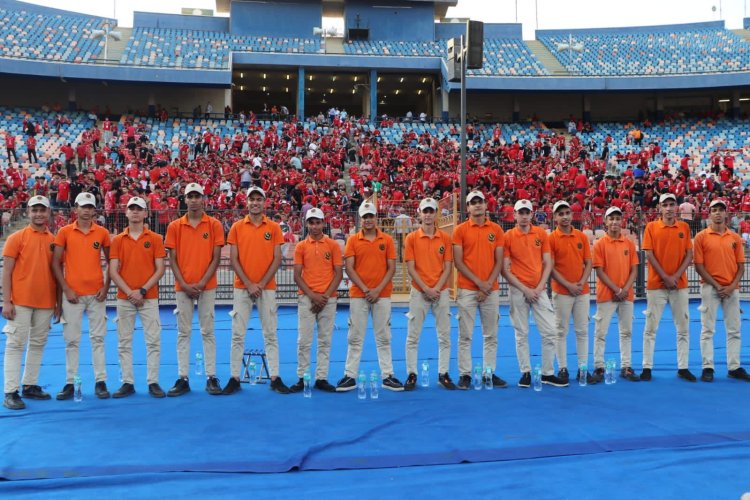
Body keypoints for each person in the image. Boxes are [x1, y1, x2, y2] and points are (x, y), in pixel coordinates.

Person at [223, 186, 290, 395]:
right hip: (242, 287)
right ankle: (234, 377)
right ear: (247, 202)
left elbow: (277, 258)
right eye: (251, 199)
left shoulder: (274, 228)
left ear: (264, 202)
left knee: (270, 333)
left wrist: (260, 283)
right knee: (237, 334)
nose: (255, 203)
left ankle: (275, 377)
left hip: (266, 287)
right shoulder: (237, 227)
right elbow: (233, 258)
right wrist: (250, 283)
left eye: (258, 199)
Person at [336, 201, 404, 392]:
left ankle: (388, 375)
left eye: (371, 216)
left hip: (381, 295)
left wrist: (377, 289)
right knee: (355, 337)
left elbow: (392, 268)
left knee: (384, 336)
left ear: (376, 218)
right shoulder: (353, 240)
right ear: (360, 219)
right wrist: (367, 289)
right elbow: (349, 267)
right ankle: (350, 375)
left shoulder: (387, 240)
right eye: (364, 217)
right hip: (359, 295)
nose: (368, 220)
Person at [164, 183, 224, 397]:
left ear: (203, 198)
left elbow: (216, 257)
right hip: (183, 287)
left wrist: (201, 283)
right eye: (190, 196)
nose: (194, 199)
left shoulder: (214, 224)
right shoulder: (174, 226)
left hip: (206, 286)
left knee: (208, 331)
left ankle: (211, 376)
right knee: (183, 333)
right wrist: (185, 284)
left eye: (197, 195)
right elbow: (173, 260)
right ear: (185, 199)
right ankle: (183, 377)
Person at [52, 192, 112, 400]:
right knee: (71, 340)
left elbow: (112, 261)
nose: (86, 210)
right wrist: (66, 288)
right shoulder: (64, 232)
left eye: (90, 207)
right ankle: (70, 382)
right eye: (83, 206)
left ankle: (100, 381)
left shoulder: (102, 232)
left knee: (98, 339)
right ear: (75, 208)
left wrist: (106, 287)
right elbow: (55, 263)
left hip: (96, 294)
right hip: (73, 295)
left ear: (94, 210)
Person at [2, 196, 60, 410]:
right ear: (28, 212)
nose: (38, 214)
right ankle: (10, 391)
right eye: (34, 210)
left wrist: (57, 303)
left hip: (45, 302)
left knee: (37, 344)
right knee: (15, 345)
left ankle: (30, 385)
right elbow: (6, 271)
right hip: (21, 302)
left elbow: (56, 273)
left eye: (42, 210)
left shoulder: (54, 240)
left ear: (48, 213)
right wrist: (6, 301)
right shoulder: (16, 238)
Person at [503, 199, 567, 388]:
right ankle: (526, 372)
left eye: (526, 213)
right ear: (514, 214)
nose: (523, 216)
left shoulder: (540, 234)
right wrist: (525, 289)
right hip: (518, 289)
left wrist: (539, 288)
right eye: (520, 213)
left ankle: (548, 373)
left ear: (532, 214)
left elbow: (548, 262)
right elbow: (505, 269)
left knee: (550, 331)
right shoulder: (508, 237)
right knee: (521, 332)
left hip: (539, 290)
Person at [109, 196, 167, 398]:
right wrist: (130, 292)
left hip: (148, 297)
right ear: (126, 212)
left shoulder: (156, 239)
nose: (134, 212)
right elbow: (113, 271)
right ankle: (127, 382)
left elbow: (160, 269)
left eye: (138, 209)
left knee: (153, 340)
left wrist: (141, 290)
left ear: (145, 213)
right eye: (131, 208)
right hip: (125, 298)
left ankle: (153, 381)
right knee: (124, 341)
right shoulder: (117, 240)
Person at [452, 190, 506, 390]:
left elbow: (499, 260)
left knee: (491, 334)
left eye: (480, 202)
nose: (477, 205)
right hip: (467, 289)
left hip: (490, 289)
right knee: (465, 335)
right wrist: (479, 283)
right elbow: (458, 261)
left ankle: (488, 372)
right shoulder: (460, 230)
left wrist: (487, 284)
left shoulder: (497, 230)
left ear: (486, 205)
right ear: (467, 207)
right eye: (473, 202)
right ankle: (465, 374)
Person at [693, 199, 749, 382]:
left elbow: (741, 266)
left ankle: (734, 367)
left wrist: (731, 286)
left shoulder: (734, 238)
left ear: (726, 214)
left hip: (731, 288)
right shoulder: (701, 237)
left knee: (734, 329)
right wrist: (717, 286)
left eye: (721, 210)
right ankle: (707, 366)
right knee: (707, 329)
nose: (717, 213)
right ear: (709, 214)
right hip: (710, 288)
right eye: (714, 210)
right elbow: (699, 266)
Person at [640, 193, 694, 382]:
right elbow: (649, 254)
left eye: (672, 204)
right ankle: (647, 366)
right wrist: (665, 277)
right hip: (657, 285)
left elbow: (689, 254)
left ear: (676, 208)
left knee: (683, 327)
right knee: (650, 328)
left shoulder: (684, 227)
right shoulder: (651, 227)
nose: (669, 208)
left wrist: (676, 276)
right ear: (660, 208)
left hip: (679, 285)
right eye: (666, 205)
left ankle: (683, 366)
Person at [290, 207, 343, 393]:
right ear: (306, 224)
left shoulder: (333, 245)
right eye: (311, 222)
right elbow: (297, 275)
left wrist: (324, 296)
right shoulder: (301, 246)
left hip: (327, 299)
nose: (314, 226)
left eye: (318, 222)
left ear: (323, 223)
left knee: (324, 340)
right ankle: (302, 377)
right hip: (307, 298)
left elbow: (338, 274)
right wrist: (313, 296)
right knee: (303, 340)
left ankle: (321, 377)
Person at [404, 197, 455, 390]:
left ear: (436, 214)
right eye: (424, 211)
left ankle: (443, 373)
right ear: (419, 213)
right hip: (419, 292)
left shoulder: (445, 238)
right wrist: (426, 288)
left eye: (431, 211)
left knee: (444, 335)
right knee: (412, 336)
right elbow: (411, 267)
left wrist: (436, 288)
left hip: (440, 292)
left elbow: (448, 266)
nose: (427, 215)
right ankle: (411, 374)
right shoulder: (411, 238)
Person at [591, 206, 640, 382]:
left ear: (622, 221)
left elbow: (634, 269)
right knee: (600, 332)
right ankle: (599, 367)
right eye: (611, 218)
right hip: (607, 295)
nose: (614, 222)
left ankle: (626, 366)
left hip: (626, 295)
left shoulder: (628, 244)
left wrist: (625, 289)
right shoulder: (600, 244)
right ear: (605, 221)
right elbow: (600, 271)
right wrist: (617, 290)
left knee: (626, 332)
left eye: (617, 218)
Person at [548, 200, 594, 384]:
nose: (565, 217)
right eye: (561, 214)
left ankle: (583, 369)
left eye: (567, 213)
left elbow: (588, 262)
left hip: (581, 291)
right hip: (561, 291)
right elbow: (550, 267)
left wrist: (581, 283)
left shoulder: (581, 237)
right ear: (555, 217)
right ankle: (563, 368)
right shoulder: (551, 239)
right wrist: (568, 285)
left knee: (582, 331)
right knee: (561, 331)